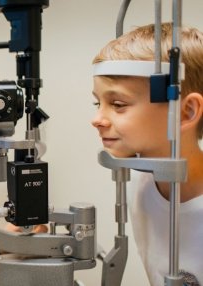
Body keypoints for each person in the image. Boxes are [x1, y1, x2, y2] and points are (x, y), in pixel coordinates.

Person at [91, 22, 203, 285]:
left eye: (118, 104)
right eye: (98, 103)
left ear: (186, 112)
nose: (97, 119)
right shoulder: (141, 184)